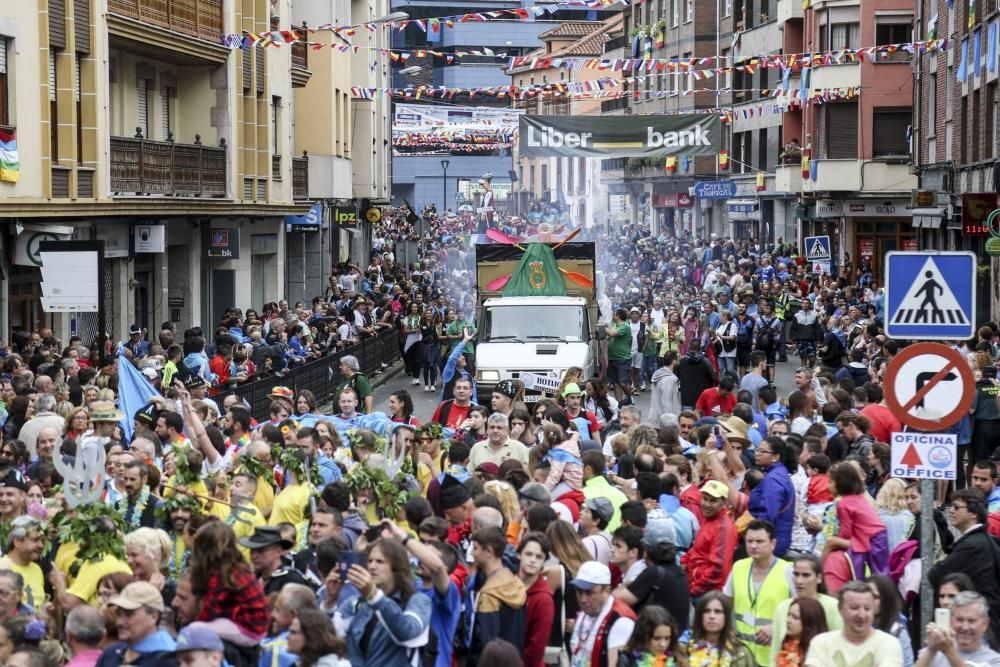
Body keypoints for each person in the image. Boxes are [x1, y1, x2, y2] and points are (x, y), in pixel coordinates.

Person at [336, 536, 432, 667]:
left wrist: (374, 596)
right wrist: (330, 600)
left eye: (380, 561)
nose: (372, 566)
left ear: (396, 567)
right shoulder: (356, 603)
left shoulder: (418, 601)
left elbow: (407, 632)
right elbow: (330, 636)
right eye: (369, 561)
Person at [929, 488, 1000, 642]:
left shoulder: (972, 545)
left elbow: (935, 575)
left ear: (973, 513)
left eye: (956, 507)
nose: (951, 511)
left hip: (979, 628)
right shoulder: (982, 539)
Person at [724, 520, 794, 667]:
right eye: (749, 541)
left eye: (760, 541)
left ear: (773, 543)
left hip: (775, 656)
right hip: (742, 656)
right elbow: (725, 604)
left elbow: (802, 611)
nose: (754, 546)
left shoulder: (787, 571)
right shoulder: (738, 567)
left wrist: (778, 627)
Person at [465, 525, 526, 666]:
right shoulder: (514, 582)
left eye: (475, 548)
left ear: (489, 551)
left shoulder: (489, 595)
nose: (473, 553)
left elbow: (487, 643)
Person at [804, 581, 903, 667]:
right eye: (854, 608)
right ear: (840, 609)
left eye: (867, 608)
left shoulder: (888, 643)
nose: (861, 615)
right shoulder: (821, 643)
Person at [614, 522, 690, 631]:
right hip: (677, 640)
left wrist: (624, 585)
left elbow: (615, 600)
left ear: (645, 550)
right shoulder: (680, 573)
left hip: (656, 641)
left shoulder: (653, 573)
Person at [771, 554, 842, 657]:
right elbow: (776, 651)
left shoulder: (833, 607)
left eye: (806, 575)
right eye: (796, 574)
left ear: (819, 578)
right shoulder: (782, 608)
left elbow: (839, 648)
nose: (799, 581)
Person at [567, 561, 636, 667]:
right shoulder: (587, 610)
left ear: (607, 590)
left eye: (590, 593)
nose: (583, 599)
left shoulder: (621, 621)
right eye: (579, 592)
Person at [96, 581, 177, 667]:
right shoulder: (111, 653)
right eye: (119, 614)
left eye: (129, 614)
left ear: (153, 616)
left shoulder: (170, 659)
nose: (120, 622)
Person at [681, 479, 738, 598]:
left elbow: (718, 568)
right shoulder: (709, 519)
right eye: (705, 499)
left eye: (713, 501)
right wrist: (684, 562)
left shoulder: (723, 529)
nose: (706, 504)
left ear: (724, 504)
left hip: (708, 594)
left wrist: (694, 590)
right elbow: (698, 547)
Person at [914, 590, 1000, 667]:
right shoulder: (935, 653)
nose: (965, 627)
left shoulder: (994, 660)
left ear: (985, 624)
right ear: (951, 620)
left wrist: (949, 651)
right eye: (959, 620)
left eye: (971, 621)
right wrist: (931, 649)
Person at [748, 437, 796, 557]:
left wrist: (755, 537)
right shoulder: (777, 473)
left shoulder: (773, 479)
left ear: (776, 457)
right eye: (757, 450)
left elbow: (768, 514)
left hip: (770, 543)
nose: (757, 454)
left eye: (762, 451)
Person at [685, 592, 754, 667]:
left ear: (726, 617)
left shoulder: (741, 653)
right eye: (706, 611)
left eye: (717, 611)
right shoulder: (687, 650)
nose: (711, 616)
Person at [517, 532, 555, 667]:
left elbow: (536, 648)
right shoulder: (508, 586)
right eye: (528, 554)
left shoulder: (544, 599)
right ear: (519, 554)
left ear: (544, 561)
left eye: (539, 557)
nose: (533, 560)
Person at [617, 605, 683, 667]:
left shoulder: (677, 659)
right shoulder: (627, 661)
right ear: (643, 636)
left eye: (667, 638)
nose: (663, 644)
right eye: (656, 638)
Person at [773, 597, 828, 667]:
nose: (788, 620)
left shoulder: (817, 655)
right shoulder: (787, 647)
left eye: (795, 617)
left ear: (809, 623)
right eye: (788, 615)